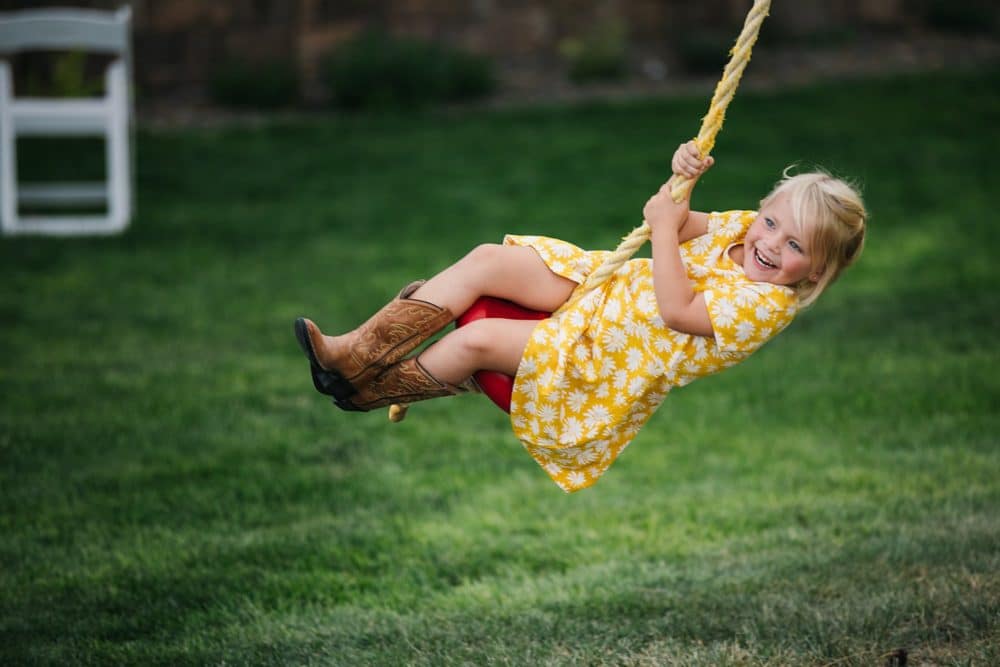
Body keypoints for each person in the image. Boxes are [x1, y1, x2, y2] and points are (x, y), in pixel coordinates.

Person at [295, 141, 867, 492]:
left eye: (795, 247)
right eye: (772, 224)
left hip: (604, 357)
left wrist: (665, 229)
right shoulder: (747, 228)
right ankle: (353, 352)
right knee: (491, 260)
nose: (771, 244)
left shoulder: (765, 306)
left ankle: (363, 391)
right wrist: (683, 177)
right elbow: (682, 220)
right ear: (763, 209)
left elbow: (676, 309)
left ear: (815, 272)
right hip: (602, 291)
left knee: (480, 341)